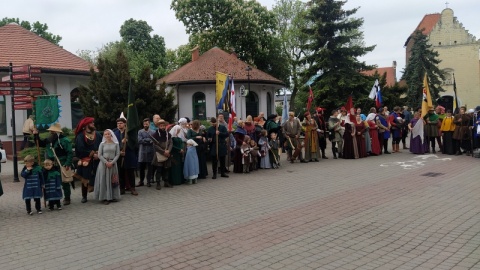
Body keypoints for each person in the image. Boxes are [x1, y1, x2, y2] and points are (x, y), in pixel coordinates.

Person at [34, 123, 74, 205]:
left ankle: (67, 198)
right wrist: (36, 135)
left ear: (57, 132)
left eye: (53, 131)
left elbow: (70, 153)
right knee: (52, 181)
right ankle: (53, 199)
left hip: (62, 163)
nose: (51, 133)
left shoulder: (64, 140)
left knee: (64, 181)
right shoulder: (49, 140)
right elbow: (40, 143)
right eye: (51, 131)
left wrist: (67, 163)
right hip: (52, 164)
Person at [74, 117, 102, 203]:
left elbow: (102, 145)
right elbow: (80, 148)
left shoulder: (98, 134)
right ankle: (84, 196)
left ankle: (100, 194)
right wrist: (91, 153)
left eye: (93, 123)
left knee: (98, 176)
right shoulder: (80, 136)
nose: (93, 124)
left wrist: (99, 153)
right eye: (91, 123)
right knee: (85, 178)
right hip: (86, 159)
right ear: (86, 125)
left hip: (97, 159)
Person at [93, 129, 121, 204]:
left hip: (113, 164)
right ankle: (105, 197)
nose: (107, 135)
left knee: (113, 180)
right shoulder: (102, 144)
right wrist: (106, 162)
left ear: (111, 135)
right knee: (104, 180)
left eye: (108, 134)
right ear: (104, 136)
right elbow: (99, 155)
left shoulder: (116, 144)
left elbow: (118, 154)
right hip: (103, 164)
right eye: (105, 134)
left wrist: (112, 162)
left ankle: (113, 196)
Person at [114, 117, 138, 196]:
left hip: (129, 155)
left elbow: (135, 144)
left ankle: (132, 188)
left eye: (120, 123)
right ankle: (122, 188)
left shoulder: (129, 133)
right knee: (121, 173)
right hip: (119, 156)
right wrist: (120, 150)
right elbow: (114, 145)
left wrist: (128, 142)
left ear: (124, 124)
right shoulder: (115, 133)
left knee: (130, 172)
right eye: (118, 123)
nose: (119, 125)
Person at [151, 119, 173, 190]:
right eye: (161, 126)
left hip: (167, 153)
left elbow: (171, 143)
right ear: (158, 126)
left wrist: (168, 151)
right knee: (159, 169)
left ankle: (166, 182)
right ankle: (158, 183)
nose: (162, 127)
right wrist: (163, 152)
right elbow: (155, 145)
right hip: (159, 154)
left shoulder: (168, 134)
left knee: (166, 168)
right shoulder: (155, 135)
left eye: (164, 125)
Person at [169, 118, 188, 185]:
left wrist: (182, 149)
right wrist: (179, 149)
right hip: (175, 153)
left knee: (179, 166)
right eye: (178, 130)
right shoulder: (172, 138)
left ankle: (180, 179)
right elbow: (172, 145)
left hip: (180, 153)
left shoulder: (178, 137)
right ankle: (175, 180)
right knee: (175, 167)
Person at [137, 118, 155, 187]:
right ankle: (141, 181)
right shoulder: (140, 132)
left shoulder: (153, 132)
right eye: (144, 124)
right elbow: (140, 141)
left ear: (149, 124)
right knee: (142, 168)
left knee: (150, 168)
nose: (145, 125)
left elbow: (153, 140)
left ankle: (148, 181)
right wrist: (148, 140)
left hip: (150, 152)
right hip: (142, 152)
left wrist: (146, 140)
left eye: (147, 124)